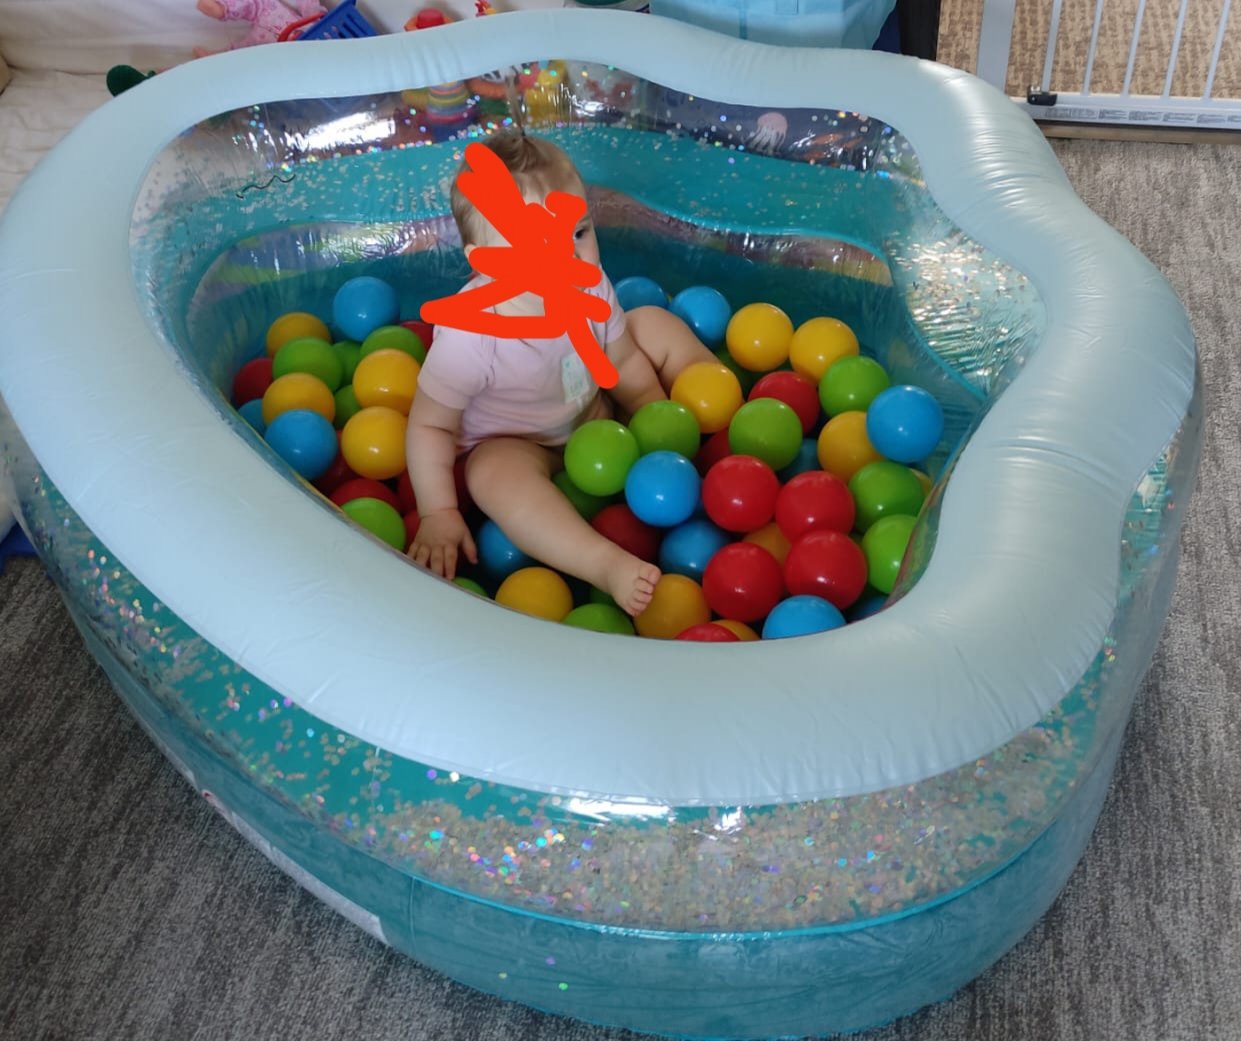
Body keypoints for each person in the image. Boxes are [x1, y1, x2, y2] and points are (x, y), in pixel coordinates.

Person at [406, 131, 717, 615]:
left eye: (578, 232)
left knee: (653, 323)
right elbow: (429, 426)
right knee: (490, 473)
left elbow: (625, 363)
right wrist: (439, 512)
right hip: (521, 443)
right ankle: (601, 562)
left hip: (595, 414)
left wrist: (655, 425)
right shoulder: (470, 337)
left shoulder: (590, 287)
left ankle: (726, 425)